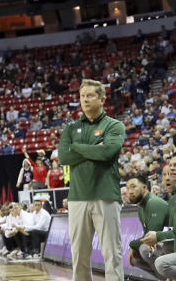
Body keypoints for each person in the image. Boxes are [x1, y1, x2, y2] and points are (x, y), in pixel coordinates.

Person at [58, 78, 126, 281]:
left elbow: (108, 152)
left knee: (112, 254)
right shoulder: (71, 128)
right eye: (82, 96)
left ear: (102, 99)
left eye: (90, 95)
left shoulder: (114, 125)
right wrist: (95, 147)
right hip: (77, 198)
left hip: (106, 196)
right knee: (79, 256)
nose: (85, 100)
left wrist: (77, 147)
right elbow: (64, 158)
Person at [125, 173, 169, 276]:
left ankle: (171, 277)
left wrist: (132, 245)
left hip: (173, 243)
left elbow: (151, 238)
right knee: (135, 259)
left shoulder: (153, 202)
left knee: (144, 249)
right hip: (163, 245)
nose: (129, 192)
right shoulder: (141, 207)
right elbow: (146, 234)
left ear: (144, 187)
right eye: (127, 188)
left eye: (133, 187)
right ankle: (164, 278)